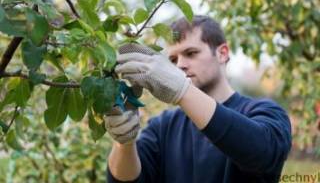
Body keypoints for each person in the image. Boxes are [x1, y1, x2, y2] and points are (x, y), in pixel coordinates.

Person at [104, 15, 292, 183]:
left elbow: (263, 153)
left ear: (222, 53)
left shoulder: (265, 111)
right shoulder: (163, 126)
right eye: (173, 60)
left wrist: (182, 91)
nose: (181, 65)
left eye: (191, 53)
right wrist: (124, 143)